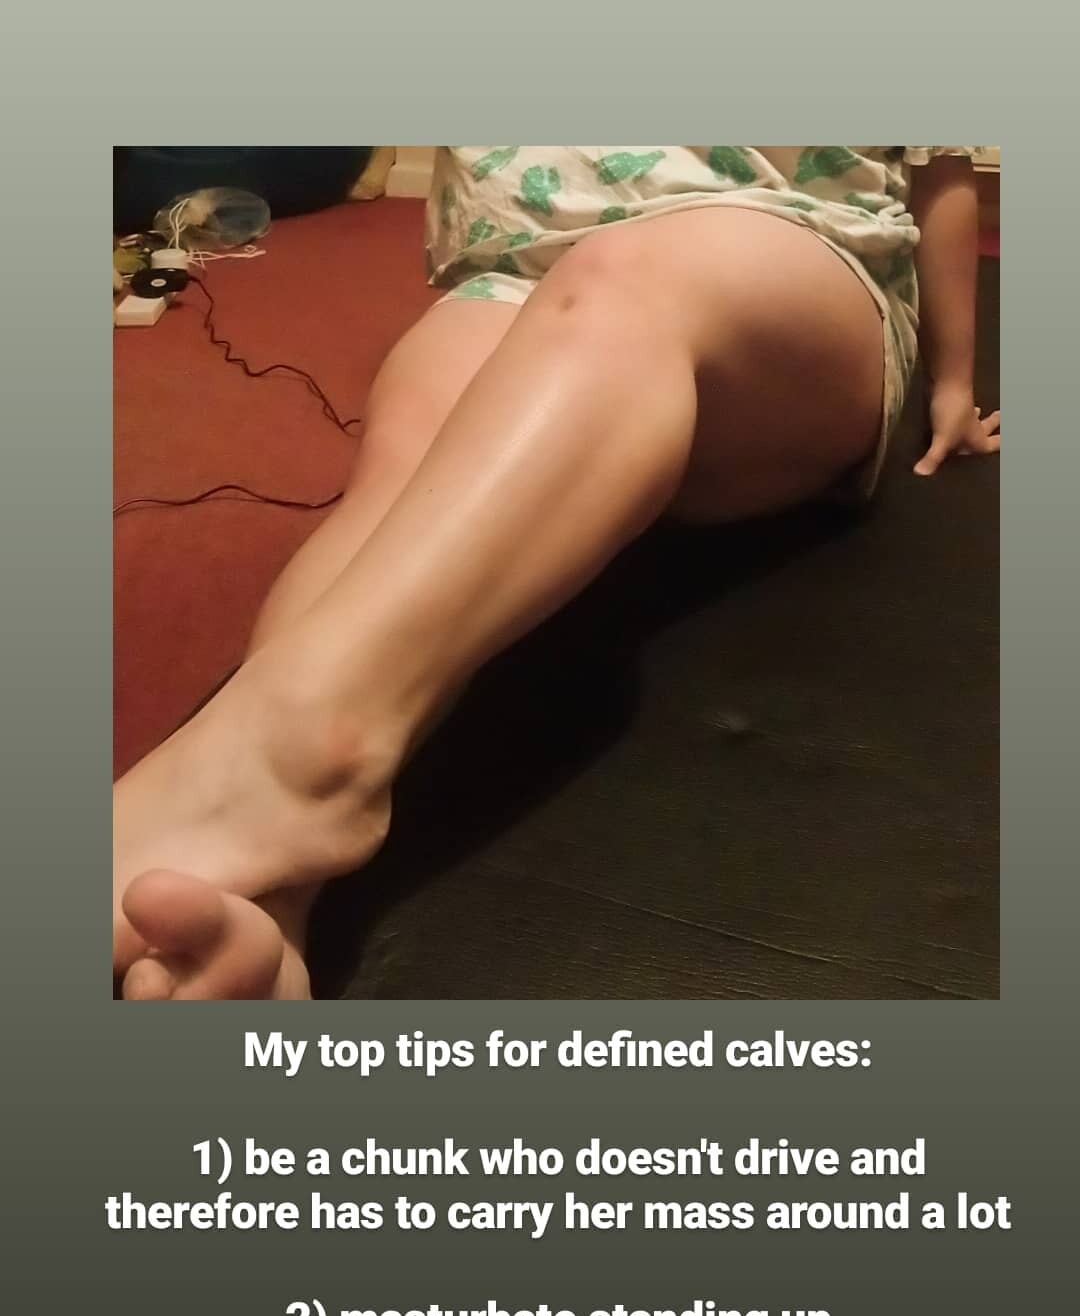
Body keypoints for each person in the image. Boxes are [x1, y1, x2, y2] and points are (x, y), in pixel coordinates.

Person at [113, 146, 1000, 1000]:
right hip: (523, 275)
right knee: (403, 486)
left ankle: (294, 755)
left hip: (785, 268)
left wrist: (952, 385)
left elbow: (945, 174)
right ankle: (256, 910)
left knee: (625, 280)